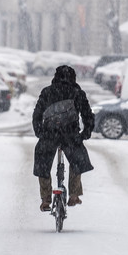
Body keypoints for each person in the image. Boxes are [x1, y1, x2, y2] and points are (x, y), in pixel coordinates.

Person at [32, 65, 95, 212]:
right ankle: (74, 195)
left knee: (43, 162)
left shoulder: (47, 92)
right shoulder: (77, 93)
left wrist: (40, 132)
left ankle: (46, 198)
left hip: (49, 135)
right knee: (76, 160)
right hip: (70, 135)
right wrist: (85, 133)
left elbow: (37, 114)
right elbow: (87, 115)